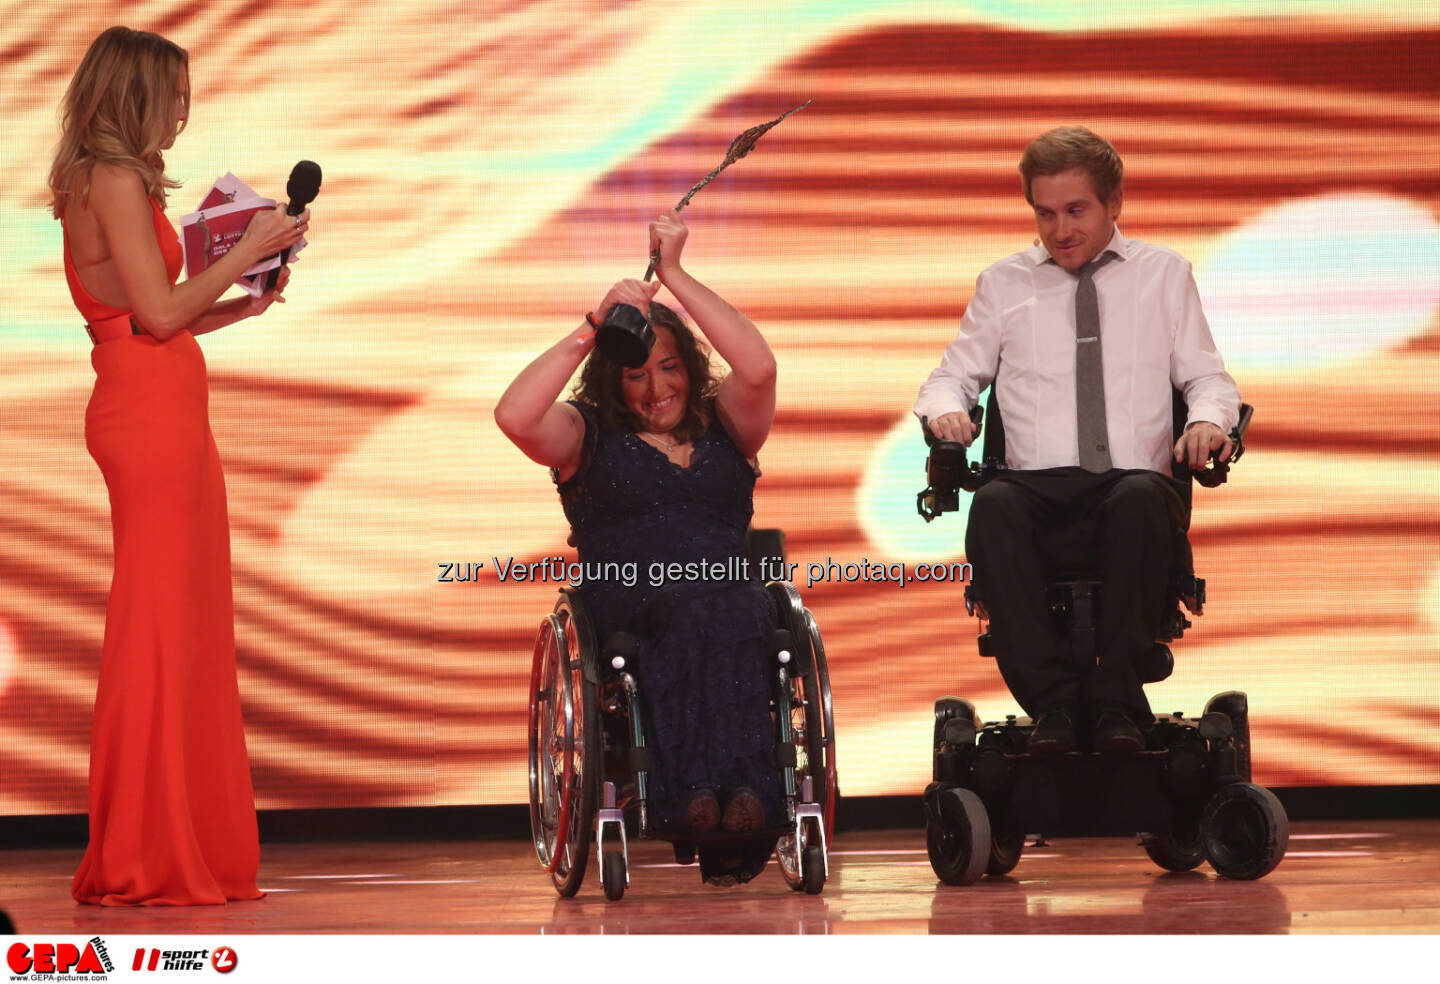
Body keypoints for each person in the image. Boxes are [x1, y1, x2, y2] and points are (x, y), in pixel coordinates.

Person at [49, 26, 310, 905]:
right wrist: (243, 250)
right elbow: (156, 316)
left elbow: (156, 314)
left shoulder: (104, 179)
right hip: (146, 408)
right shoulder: (112, 178)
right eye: (176, 94)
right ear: (134, 93)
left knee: (180, 624)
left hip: (159, 396)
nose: (184, 111)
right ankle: (143, 849)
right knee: (158, 629)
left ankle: (172, 835)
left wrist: (246, 300)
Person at [914, 126, 1240, 756]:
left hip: (1133, 487)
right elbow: (952, 378)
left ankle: (1115, 702)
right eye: (1044, 213)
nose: (1059, 229)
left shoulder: (1164, 276)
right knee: (995, 504)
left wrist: (1206, 422)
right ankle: (1056, 705)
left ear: (1113, 203)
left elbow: (1207, 378)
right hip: (1037, 490)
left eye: (1075, 210)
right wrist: (947, 412)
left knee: (1143, 499)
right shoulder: (1005, 284)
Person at [496, 210, 781, 885]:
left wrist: (676, 275)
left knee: (735, 609)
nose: (659, 390)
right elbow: (514, 416)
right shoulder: (585, 436)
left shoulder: (727, 427)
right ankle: (695, 797)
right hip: (628, 594)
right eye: (638, 376)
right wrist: (593, 328)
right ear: (612, 380)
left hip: (725, 589)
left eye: (671, 368)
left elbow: (760, 365)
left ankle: (739, 800)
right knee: (691, 607)